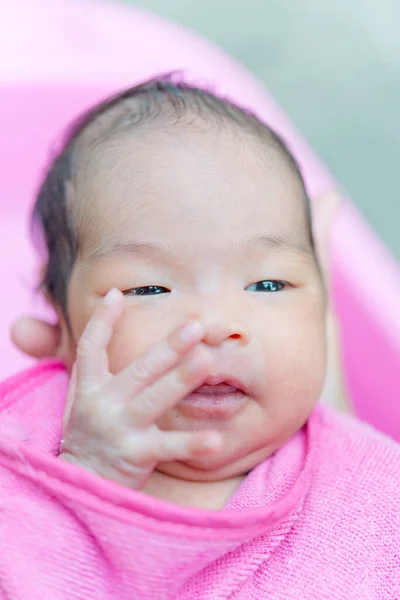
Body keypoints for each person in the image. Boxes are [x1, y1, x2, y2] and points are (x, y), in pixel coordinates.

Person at [1, 78, 398, 599]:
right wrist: (82, 484)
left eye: (269, 284)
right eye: (149, 288)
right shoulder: (25, 460)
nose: (215, 324)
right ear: (60, 328)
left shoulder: (373, 491)